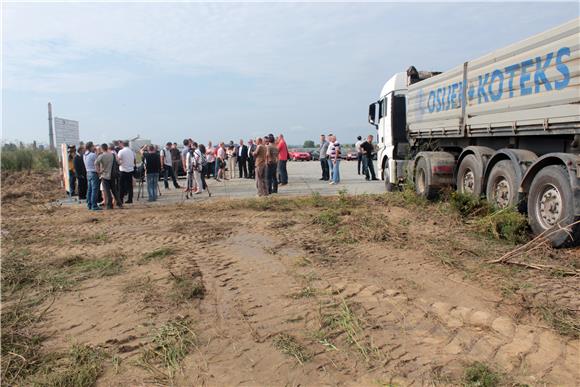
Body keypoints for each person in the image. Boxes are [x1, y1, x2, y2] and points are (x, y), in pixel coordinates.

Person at [95, 143, 122, 209]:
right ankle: (119, 203)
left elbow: (95, 163)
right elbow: (119, 163)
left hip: (105, 175)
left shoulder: (101, 156)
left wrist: (98, 171)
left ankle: (109, 205)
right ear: (107, 148)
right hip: (112, 175)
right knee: (114, 190)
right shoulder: (113, 155)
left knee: (107, 191)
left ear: (102, 149)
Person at [83, 142, 100, 210]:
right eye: (93, 146)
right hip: (93, 172)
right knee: (94, 189)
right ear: (90, 147)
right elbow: (97, 163)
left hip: (88, 172)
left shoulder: (85, 155)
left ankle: (89, 204)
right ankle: (94, 205)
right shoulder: (93, 155)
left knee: (89, 189)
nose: (94, 147)